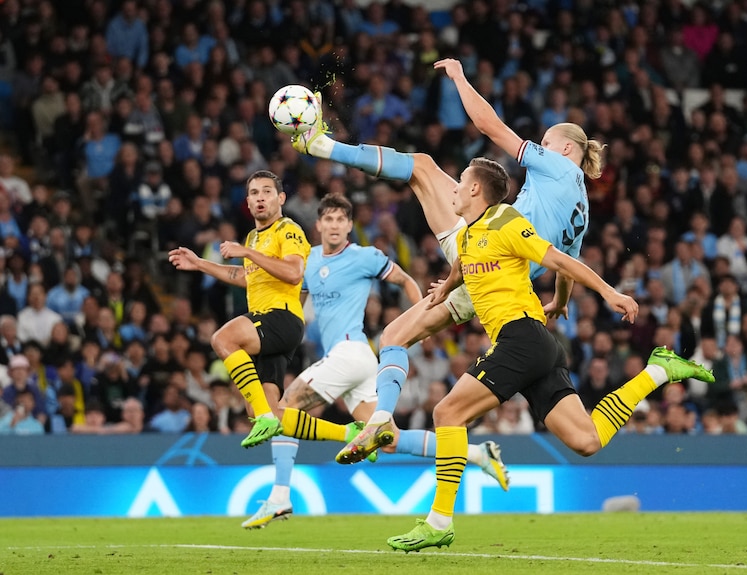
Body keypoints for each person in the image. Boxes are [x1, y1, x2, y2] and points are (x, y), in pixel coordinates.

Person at [384, 156, 714, 552]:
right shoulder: (470, 236)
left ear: (475, 189)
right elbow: (462, 262)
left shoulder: (506, 221)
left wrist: (609, 292)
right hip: (536, 345)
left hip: (520, 338)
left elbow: (559, 259)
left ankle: (438, 522)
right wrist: (444, 289)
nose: (453, 188)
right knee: (587, 441)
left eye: (460, 182)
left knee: (446, 413)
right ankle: (659, 372)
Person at [291, 57, 599, 463]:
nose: (539, 148)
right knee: (394, 335)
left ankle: (321, 145)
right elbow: (563, 264)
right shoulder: (582, 208)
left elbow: (491, 127)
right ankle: (381, 419)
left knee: (420, 166)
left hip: (487, 249)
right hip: (491, 284)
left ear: (564, 148)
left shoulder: (556, 163)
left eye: (545, 142)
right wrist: (560, 302)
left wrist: (459, 78)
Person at [242, 194, 510, 529]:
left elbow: (406, 281)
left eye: (342, 219)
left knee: (282, 409)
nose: (335, 225)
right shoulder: (307, 261)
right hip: (355, 363)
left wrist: (421, 322)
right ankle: (478, 454)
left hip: (351, 352)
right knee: (391, 440)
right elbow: (265, 281)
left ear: (351, 226)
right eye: (329, 219)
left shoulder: (365, 256)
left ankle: (280, 497)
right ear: (319, 225)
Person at [169, 170, 309, 448]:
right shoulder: (253, 239)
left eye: (267, 191)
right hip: (270, 328)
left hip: (280, 317)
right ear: (247, 201)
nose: (260, 198)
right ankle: (348, 433)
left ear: (280, 198)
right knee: (260, 410)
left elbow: (294, 273)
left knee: (222, 339)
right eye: (254, 193)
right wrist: (200, 264)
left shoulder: (287, 229)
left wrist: (247, 253)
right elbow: (245, 277)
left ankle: (266, 418)